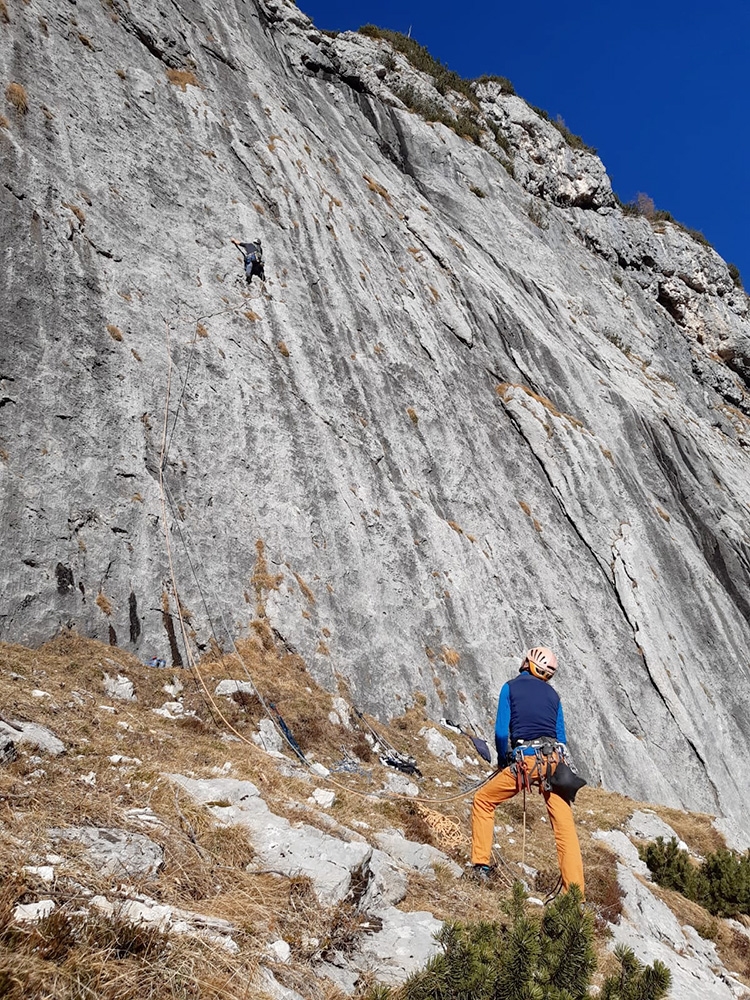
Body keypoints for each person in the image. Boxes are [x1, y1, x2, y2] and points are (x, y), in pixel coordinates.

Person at [470, 646, 585, 894]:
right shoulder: (554, 696)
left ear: (529, 663)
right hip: (554, 762)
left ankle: (481, 865)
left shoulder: (510, 687)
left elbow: (502, 732)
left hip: (526, 761)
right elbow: (561, 737)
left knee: (483, 800)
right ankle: (575, 893)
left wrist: (503, 758)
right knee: (564, 826)